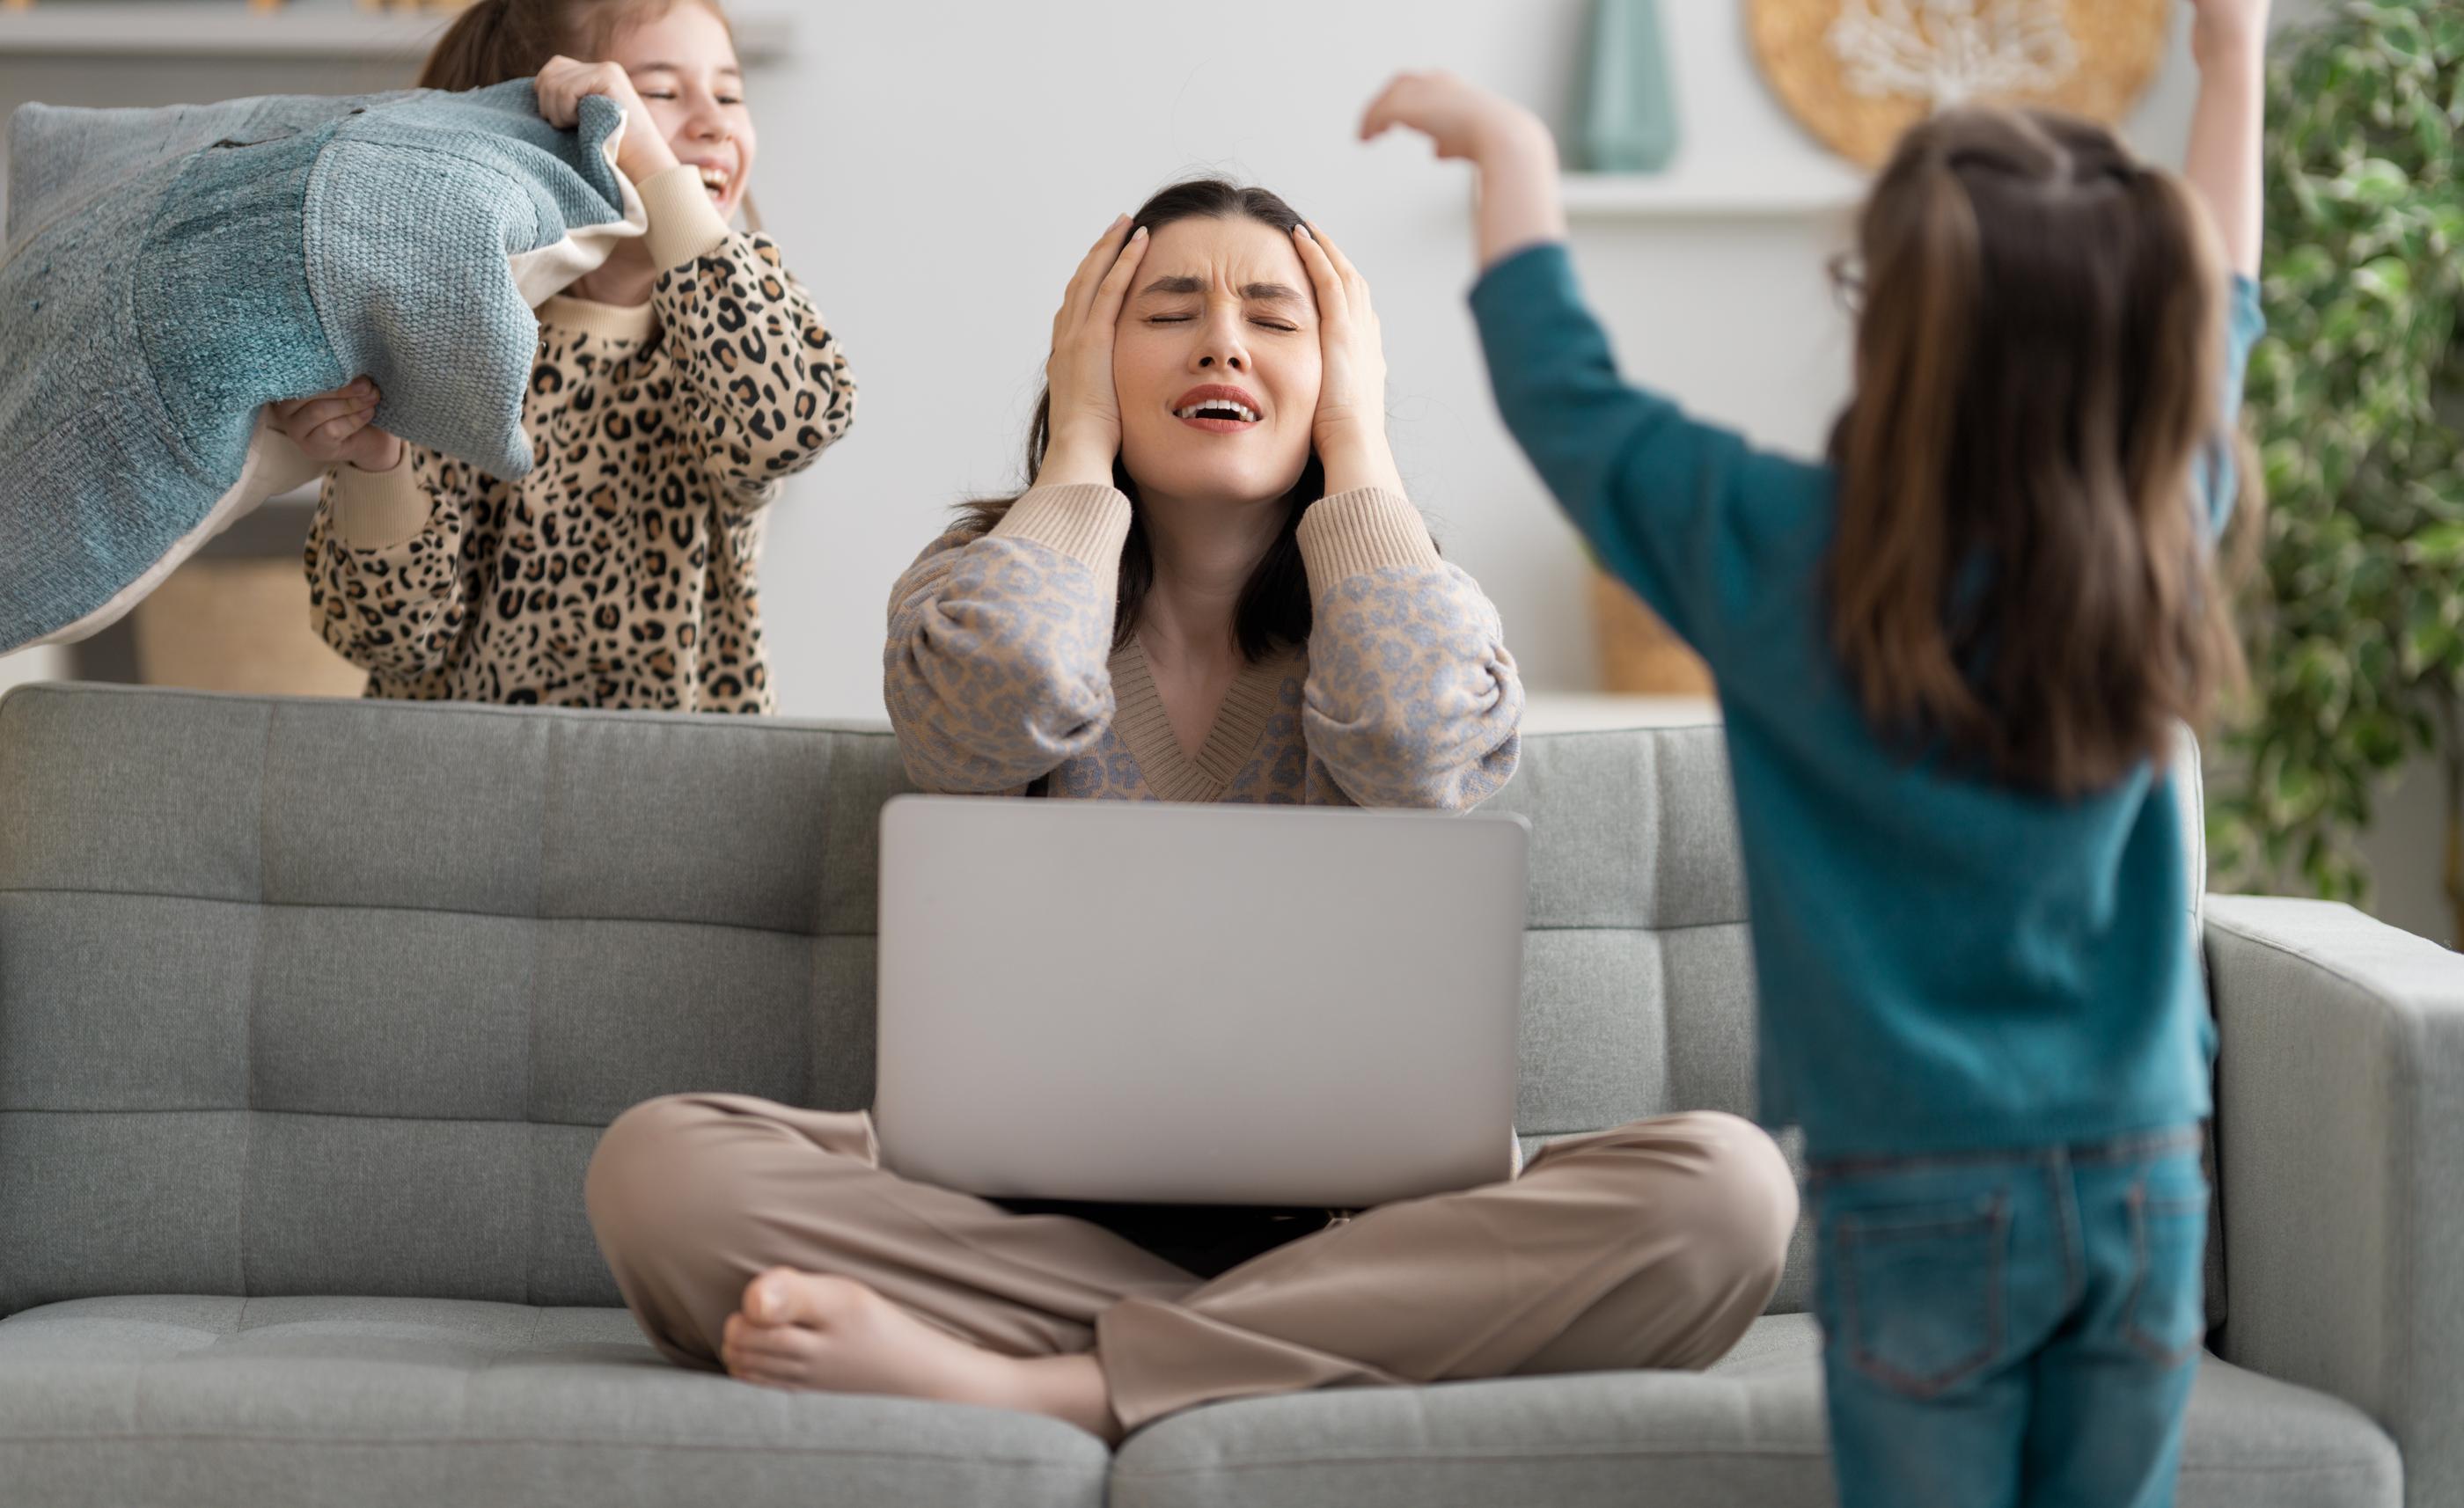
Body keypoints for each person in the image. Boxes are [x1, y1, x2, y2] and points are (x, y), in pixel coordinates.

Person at [583, 177, 1799, 1442]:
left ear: (1340, 373)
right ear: (1088, 357)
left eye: (1278, 318)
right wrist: (1076, 460)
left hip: (1365, 1235)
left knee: (1728, 1192)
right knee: (660, 1170)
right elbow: (996, 706)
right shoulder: (978, 588)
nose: (1224, 340)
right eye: (1169, 308)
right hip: (1031, 1238)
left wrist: (1361, 454)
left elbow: (1412, 743)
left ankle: (1063, 1384)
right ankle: (1301, 1345)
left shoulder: (1417, 603)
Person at [1358, 1, 2269, 1501]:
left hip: (1918, 1186)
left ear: (1894, 328)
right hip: (2145, 1170)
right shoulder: (2155, 534)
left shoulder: (1789, 558)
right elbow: (2222, 307)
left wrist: (1514, 154)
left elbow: (1570, 400)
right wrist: (2231, 64)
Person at [273, 0, 854, 711]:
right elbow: (383, 638)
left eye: (730, 92)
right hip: (459, 780)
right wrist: (376, 462)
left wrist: (645, 154)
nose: (714, 121)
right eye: (658, 95)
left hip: (679, 782)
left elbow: (793, 422)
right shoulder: (455, 347)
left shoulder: (729, 340)